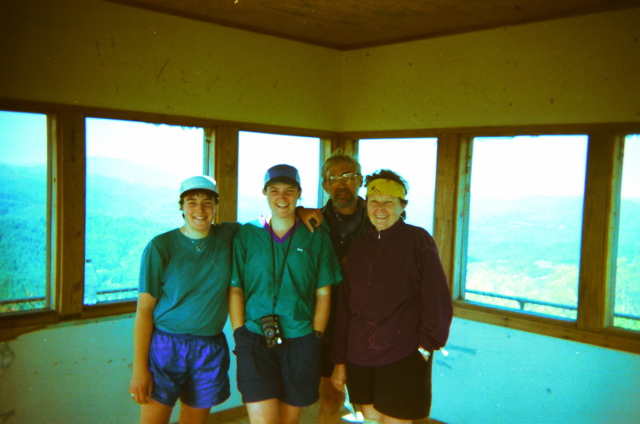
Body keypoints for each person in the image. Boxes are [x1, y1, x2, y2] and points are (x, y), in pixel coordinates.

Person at [331, 169, 453, 424]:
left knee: (396, 420)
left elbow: (437, 298)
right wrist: (340, 358)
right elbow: (345, 307)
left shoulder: (418, 240)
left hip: (404, 352)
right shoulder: (359, 246)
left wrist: (425, 346)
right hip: (360, 352)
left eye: (389, 201)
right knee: (371, 417)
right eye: (374, 201)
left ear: (402, 205)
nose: (380, 209)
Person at [229, 164, 343, 424]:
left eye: (289, 191)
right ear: (265, 193)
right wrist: (240, 334)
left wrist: (315, 337)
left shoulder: (316, 237)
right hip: (255, 339)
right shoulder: (248, 234)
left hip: (301, 340)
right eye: (275, 190)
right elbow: (236, 288)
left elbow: (323, 294)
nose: (282, 197)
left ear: (299, 194)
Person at [129, 175, 239, 424]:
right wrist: (139, 369)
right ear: (181, 206)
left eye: (207, 202)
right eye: (192, 202)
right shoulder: (161, 246)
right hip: (165, 347)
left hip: (209, 348)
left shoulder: (229, 235)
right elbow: (144, 310)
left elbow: (272, 223)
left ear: (216, 206)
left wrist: (301, 209)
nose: (200, 209)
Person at [305, 150, 374, 424]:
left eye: (348, 176)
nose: (341, 183)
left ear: (359, 180)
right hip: (328, 322)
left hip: (369, 322)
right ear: (325, 186)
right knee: (330, 398)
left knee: (368, 400)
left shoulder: (379, 216)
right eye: (334, 178)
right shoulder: (312, 222)